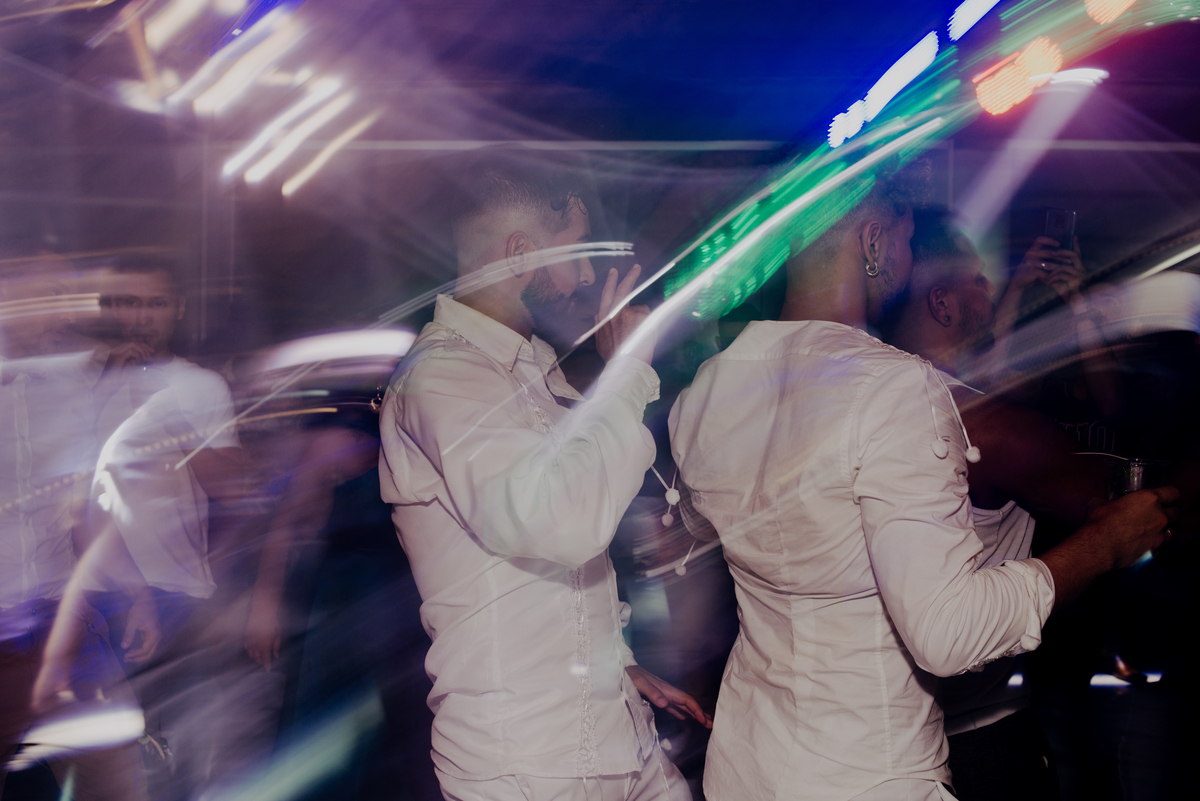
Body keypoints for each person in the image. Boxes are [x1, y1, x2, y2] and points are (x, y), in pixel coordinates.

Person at [668, 165, 1175, 801]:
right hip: (866, 777)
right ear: (874, 242)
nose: (907, 263)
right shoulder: (893, 386)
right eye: (905, 241)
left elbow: (712, 549)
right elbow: (947, 633)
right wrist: (1106, 544)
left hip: (746, 766)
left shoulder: (706, 389)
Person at [378, 154, 708, 801]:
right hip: (523, 762)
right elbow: (557, 523)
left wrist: (618, 662)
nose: (585, 276)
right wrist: (627, 376)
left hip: (618, 735)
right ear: (521, 254)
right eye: (576, 254)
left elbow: (566, 560)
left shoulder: (538, 367)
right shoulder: (439, 377)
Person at [884, 209, 1110, 800]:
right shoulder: (987, 426)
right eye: (979, 280)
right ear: (942, 304)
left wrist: (1010, 301)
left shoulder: (872, 403)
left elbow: (996, 381)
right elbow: (1114, 496)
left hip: (881, 739)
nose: (991, 288)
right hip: (981, 736)